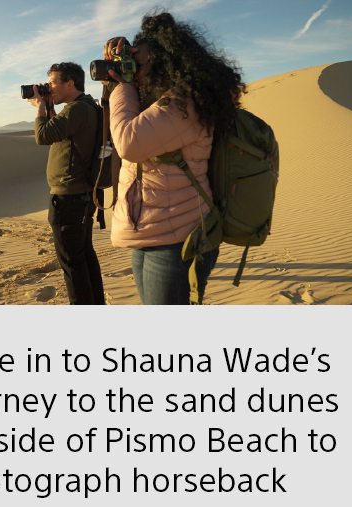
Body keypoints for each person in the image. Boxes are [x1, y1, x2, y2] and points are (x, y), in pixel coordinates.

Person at [103, 12, 245, 304]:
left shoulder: (185, 103)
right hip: (153, 230)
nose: (134, 72)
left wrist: (122, 85)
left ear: (163, 61)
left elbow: (128, 142)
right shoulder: (156, 101)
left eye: (138, 64)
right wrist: (118, 80)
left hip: (179, 239)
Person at [28, 62, 105, 305]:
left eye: (53, 83)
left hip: (70, 197)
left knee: (72, 262)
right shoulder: (85, 107)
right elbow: (57, 131)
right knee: (83, 256)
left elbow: (43, 136)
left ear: (70, 83)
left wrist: (40, 106)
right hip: (80, 194)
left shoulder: (77, 109)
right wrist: (48, 106)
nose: (49, 88)